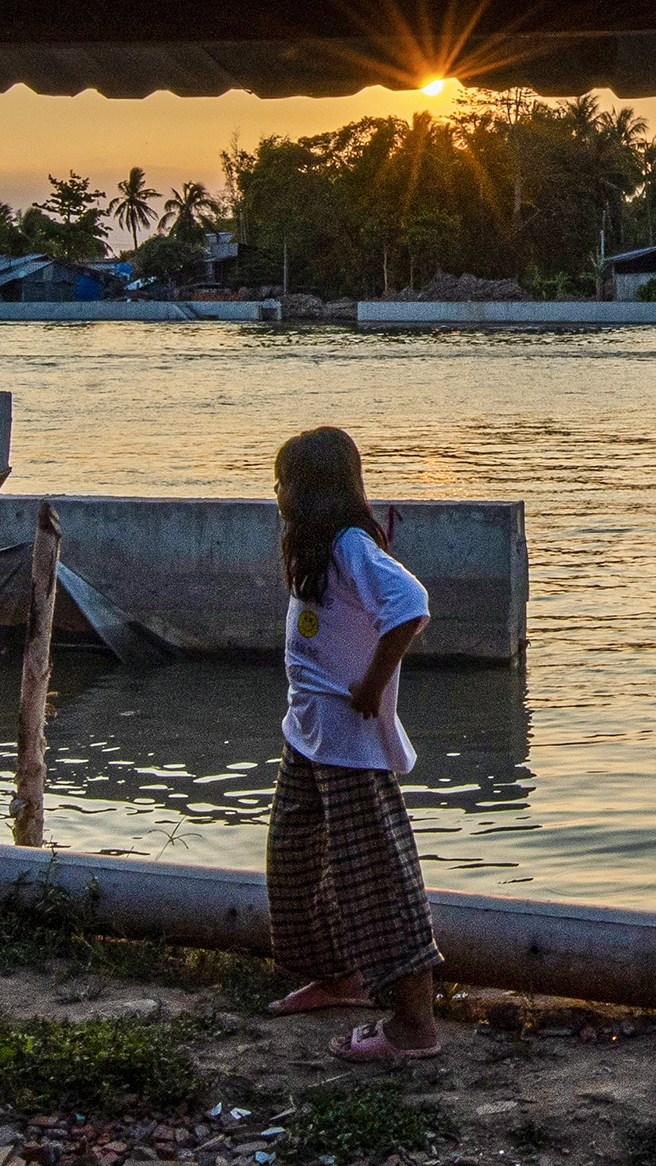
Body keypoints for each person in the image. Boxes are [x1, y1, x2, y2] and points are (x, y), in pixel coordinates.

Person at [264, 426, 443, 1062]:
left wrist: (373, 682)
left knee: (375, 880)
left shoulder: (348, 546)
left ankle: (414, 1025)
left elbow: (411, 604)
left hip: (349, 743)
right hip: (307, 735)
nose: (278, 492)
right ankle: (339, 975)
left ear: (315, 492)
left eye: (287, 483)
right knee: (295, 862)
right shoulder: (313, 548)